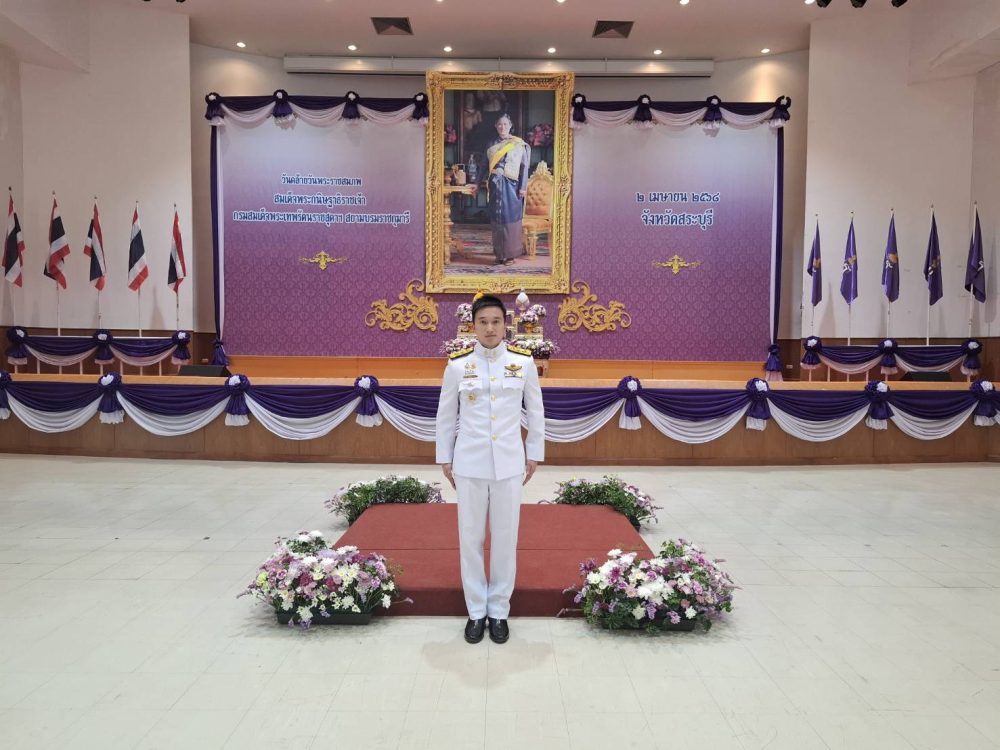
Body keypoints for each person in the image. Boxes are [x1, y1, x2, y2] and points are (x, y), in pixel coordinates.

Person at [435, 293, 545, 644]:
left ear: (505, 324)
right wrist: (445, 457)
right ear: (473, 326)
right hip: (469, 463)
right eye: (483, 322)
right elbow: (445, 415)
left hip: (510, 463)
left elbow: (536, 411)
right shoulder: (457, 365)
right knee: (470, 538)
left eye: (496, 321)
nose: (490, 328)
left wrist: (534, 453)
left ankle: (498, 610)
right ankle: (475, 611)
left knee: (505, 538)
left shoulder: (523, 362)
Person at [485, 114, 530, 266]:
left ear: (510, 126)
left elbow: (524, 167)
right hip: (495, 185)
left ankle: (510, 255)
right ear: (495, 126)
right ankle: (499, 254)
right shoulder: (491, 143)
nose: (502, 127)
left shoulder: (518, 144)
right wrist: (477, 183)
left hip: (512, 187)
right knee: (497, 219)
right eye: (499, 124)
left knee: (510, 220)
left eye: (505, 124)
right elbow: (483, 165)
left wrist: (523, 188)